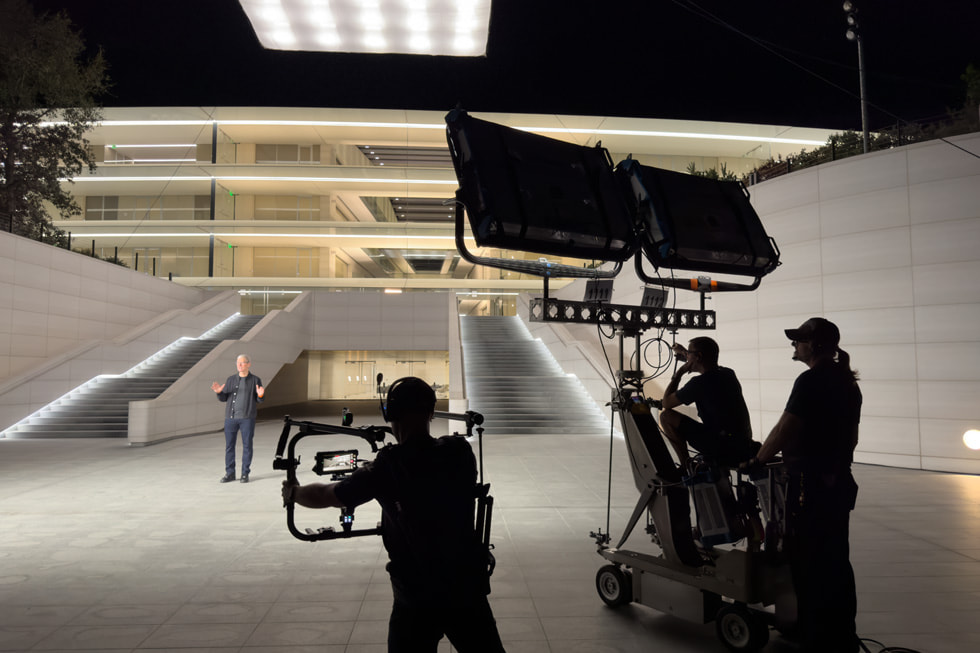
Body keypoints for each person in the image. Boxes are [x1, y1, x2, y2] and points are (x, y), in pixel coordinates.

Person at [282, 376, 505, 653]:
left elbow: (328, 496)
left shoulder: (388, 466)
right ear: (431, 412)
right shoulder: (460, 452)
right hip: (465, 587)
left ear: (390, 414)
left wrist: (294, 493)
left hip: (416, 594)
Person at [752, 317, 862, 653]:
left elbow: (786, 427)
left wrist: (757, 461)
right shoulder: (847, 381)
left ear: (813, 345)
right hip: (837, 482)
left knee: (807, 560)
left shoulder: (811, 380)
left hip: (810, 487)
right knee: (835, 559)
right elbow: (850, 436)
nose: (794, 345)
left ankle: (813, 635)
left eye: (799, 340)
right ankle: (840, 634)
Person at [659, 336, 756, 469]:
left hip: (722, 446)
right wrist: (686, 353)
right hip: (743, 443)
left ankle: (686, 466)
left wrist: (679, 373)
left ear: (698, 356)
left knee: (666, 416)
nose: (687, 358)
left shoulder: (698, 383)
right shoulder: (728, 373)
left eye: (689, 353)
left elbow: (666, 403)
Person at [211, 354, 264, 483]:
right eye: (238, 363)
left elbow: (259, 399)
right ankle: (230, 473)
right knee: (229, 446)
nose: (240, 365)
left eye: (243, 363)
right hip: (230, 418)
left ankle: (245, 473)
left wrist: (261, 396)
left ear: (248, 364)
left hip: (247, 418)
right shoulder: (231, 380)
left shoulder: (255, 380)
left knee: (247, 446)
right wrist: (219, 393)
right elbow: (224, 398)